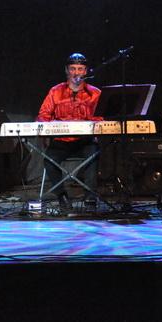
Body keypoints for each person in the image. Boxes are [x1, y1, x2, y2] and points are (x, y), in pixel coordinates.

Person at [36, 53, 102, 213]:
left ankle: (90, 198)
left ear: (85, 71)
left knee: (93, 154)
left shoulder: (95, 93)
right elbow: (43, 116)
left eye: (80, 68)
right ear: (67, 70)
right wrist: (49, 127)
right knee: (49, 160)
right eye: (72, 68)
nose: (76, 72)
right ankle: (62, 197)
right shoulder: (55, 91)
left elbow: (101, 118)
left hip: (85, 141)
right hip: (61, 141)